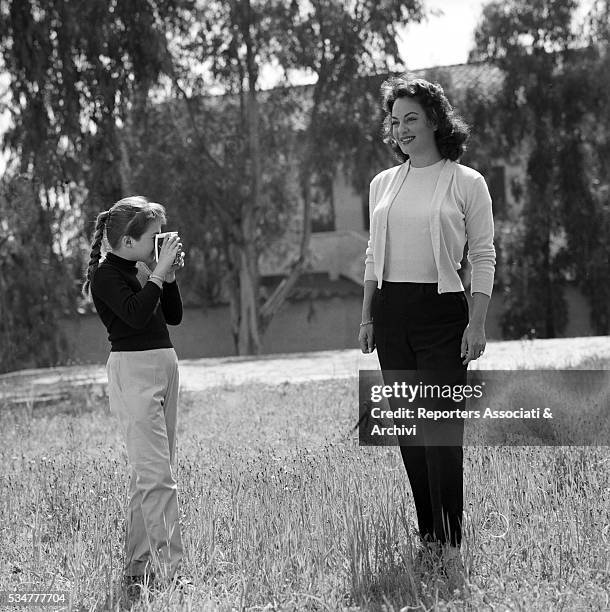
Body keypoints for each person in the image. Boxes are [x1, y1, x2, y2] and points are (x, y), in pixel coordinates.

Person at [358, 77, 495, 576]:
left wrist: (476, 324)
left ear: (435, 120)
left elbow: (482, 256)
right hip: (391, 314)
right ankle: (429, 540)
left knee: (441, 431)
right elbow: (373, 254)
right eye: (394, 120)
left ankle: (452, 541)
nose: (401, 128)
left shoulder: (466, 181)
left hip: (443, 313)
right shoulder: (382, 183)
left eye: (411, 118)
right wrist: (368, 314)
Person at [82, 196, 187, 596]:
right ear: (127, 242)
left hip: (164, 366)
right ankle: (172, 571)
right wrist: (157, 275)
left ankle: (138, 565)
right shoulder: (107, 276)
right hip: (134, 371)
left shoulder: (144, 267)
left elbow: (171, 316)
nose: (160, 242)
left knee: (153, 473)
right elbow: (135, 314)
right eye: (153, 237)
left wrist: (167, 278)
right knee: (157, 477)